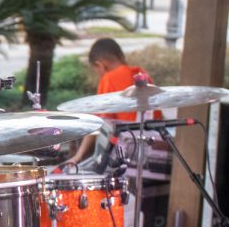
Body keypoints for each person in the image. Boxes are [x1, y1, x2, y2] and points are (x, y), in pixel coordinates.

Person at [66, 37, 161, 166]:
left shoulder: (109, 78)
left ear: (100, 65)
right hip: (153, 147)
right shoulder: (141, 74)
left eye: (96, 70)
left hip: (128, 151)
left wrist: (78, 156)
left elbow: (98, 124)